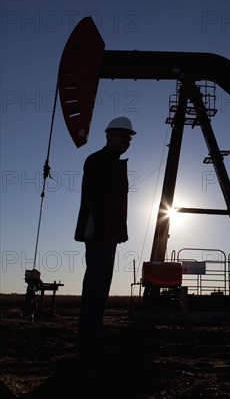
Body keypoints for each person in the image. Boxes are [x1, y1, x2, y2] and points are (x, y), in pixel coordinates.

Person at [74, 116, 136, 352]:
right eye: (122, 137)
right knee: (96, 282)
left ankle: (93, 332)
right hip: (99, 229)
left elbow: (118, 203)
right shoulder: (98, 161)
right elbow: (97, 198)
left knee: (102, 282)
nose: (127, 142)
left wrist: (120, 231)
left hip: (108, 231)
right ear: (109, 136)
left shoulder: (114, 162)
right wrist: (105, 229)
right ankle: (90, 335)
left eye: (129, 138)